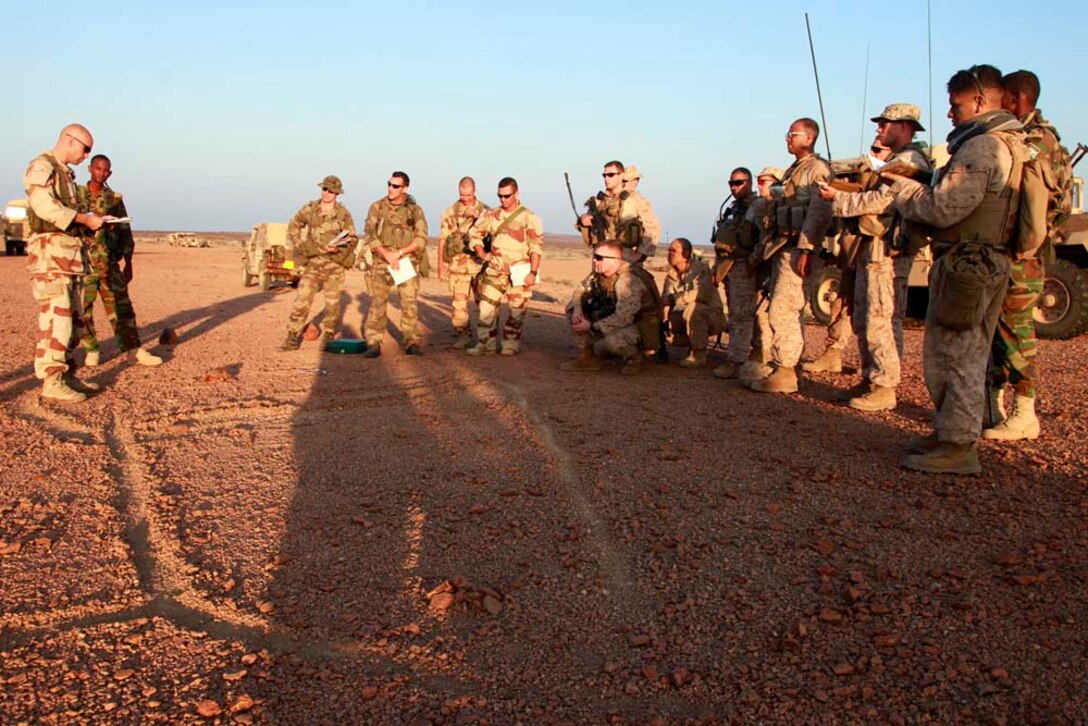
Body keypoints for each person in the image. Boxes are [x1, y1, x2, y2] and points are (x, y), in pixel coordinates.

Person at [887, 64, 1043, 474]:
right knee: (964, 352)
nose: (950, 114)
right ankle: (950, 433)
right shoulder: (1011, 142)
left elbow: (945, 207)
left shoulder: (982, 147)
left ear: (978, 101)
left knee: (955, 355)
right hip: (981, 261)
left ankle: (958, 447)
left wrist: (903, 189)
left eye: (955, 106)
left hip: (968, 263)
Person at [817, 106, 933, 411]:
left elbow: (883, 201)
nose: (879, 129)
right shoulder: (897, 160)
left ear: (905, 127)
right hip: (874, 249)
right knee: (865, 316)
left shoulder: (910, 162)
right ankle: (871, 378)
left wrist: (839, 199)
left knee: (881, 318)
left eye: (885, 124)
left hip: (888, 251)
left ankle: (884, 385)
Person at [983, 70, 1073, 441]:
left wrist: (1020, 250)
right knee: (997, 328)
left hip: (1022, 253)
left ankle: (1025, 412)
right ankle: (994, 407)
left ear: (1018, 98)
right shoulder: (1031, 137)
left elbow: (1037, 208)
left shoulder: (1035, 141)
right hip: (1015, 250)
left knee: (1016, 330)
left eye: (1002, 97)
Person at [23, 124, 108, 402]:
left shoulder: (65, 174)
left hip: (70, 260)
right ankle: (53, 380)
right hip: (51, 259)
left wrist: (92, 223)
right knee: (56, 322)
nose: (86, 156)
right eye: (85, 149)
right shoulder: (43, 166)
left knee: (74, 322)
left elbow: (67, 215)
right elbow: (44, 207)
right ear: (70, 141)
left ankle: (68, 375)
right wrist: (84, 219)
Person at [748, 118, 833, 394]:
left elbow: (820, 212)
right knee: (787, 307)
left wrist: (806, 248)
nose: (787, 138)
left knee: (783, 309)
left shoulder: (816, 169)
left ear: (808, 138)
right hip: (784, 247)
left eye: (792, 134)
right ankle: (790, 368)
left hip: (797, 247)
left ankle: (784, 371)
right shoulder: (794, 170)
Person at [75, 155, 162, 368]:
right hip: (84, 263)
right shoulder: (77, 195)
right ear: (90, 169)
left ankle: (133, 350)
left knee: (122, 307)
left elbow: (125, 231)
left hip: (109, 262)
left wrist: (129, 262)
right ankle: (91, 349)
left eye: (106, 170)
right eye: (98, 168)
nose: (101, 173)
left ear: (110, 173)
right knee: (82, 309)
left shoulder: (114, 199)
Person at [576, 160, 663, 355]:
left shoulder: (635, 200)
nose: (606, 179)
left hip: (626, 260)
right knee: (599, 300)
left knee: (633, 306)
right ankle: (595, 345)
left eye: (611, 175)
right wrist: (582, 220)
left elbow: (653, 227)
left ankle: (643, 345)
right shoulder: (599, 201)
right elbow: (587, 224)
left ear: (621, 176)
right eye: (604, 175)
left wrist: (641, 253)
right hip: (603, 261)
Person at [465, 177, 543, 357]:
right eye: (500, 196)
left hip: (519, 273)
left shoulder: (529, 217)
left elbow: (536, 247)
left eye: (507, 196)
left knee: (516, 312)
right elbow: (474, 234)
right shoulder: (491, 215)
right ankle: (486, 344)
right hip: (495, 271)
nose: (503, 200)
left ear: (517, 193)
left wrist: (533, 272)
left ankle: (510, 344)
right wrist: (482, 254)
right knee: (486, 309)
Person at [280, 175, 357, 351]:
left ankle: (329, 336)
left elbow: (352, 238)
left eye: (331, 191)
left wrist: (338, 249)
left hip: (334, 264)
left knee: (333, 303)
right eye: (324, 189)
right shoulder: (310, 209)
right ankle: (292, 336)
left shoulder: (343, 214)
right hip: (313, 263)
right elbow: (293, 226)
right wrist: (302, 246)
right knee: (302, 299)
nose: (326, 193)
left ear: (337, 193)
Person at [560, 241, 658, 375]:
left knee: (612, 341)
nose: (594, 260)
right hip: (611, 318)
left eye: (599, 258)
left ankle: (635, 357)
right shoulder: (597, 274)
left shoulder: (628, 280)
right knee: (573, 310)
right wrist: (578, 310)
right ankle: (587, 358)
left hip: (638, 325)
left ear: (616, 260)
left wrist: (591, 326)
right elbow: (580, 290)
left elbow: (623, 317)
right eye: (594, 256)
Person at [361, 172, 428, 358]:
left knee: (409, 302)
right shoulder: (377, 207)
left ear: (405, 188)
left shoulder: (415, 210)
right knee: (377, 302)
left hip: (404, 260)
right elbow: (370, 234)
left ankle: (411, 341)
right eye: (389, 184)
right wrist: (387, 255)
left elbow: (421, 238)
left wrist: (399, 254)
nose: (391, 189)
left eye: (396, 186)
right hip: (382, 260)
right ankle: (374, 342)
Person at [709, 167, 762, 379]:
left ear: (749, 183)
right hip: (730, 266)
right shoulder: (733, 209)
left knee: (742, 316)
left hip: (745, 267)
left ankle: (737, 360)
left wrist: (752, 263)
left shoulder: (757, 207)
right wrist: (717, 268)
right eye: (731, 183)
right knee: (737, 313)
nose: (734, 187)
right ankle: (747, 355)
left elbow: (764, 239)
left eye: (739, 183)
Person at [437, 177, 489, 349]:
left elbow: (494, 236)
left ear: (475, 191)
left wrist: (479, 219)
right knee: (458, 306)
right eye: (462, 195)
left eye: (468, 195)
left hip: (480, 265)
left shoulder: (486, 211)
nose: (465, 198)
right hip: (458, 266)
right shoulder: (450, 212)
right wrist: (440, 265)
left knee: (485, 305)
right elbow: (443, 240)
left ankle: (485, 339)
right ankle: (463, 335)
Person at [662, 238, 725, 368]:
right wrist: (664, 319)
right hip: (685, 316)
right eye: (668, 251)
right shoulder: (671, 275)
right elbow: (665, 300)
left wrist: (673, 299)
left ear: (686, 253)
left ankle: (698, 354)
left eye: (673, 251)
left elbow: (699, 294)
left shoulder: (700, 270)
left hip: (712, 316)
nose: (669, 254)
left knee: (693, 309)